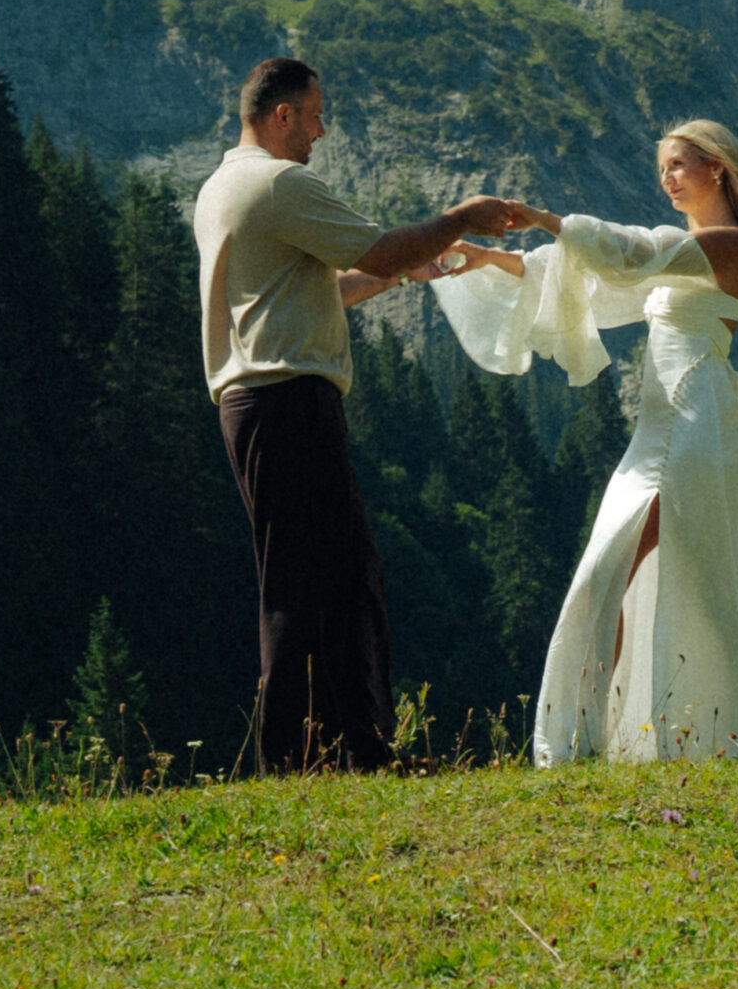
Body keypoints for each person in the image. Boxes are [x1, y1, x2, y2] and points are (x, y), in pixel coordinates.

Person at [430, 119, 738, 764]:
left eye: (678, 166)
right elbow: (598, 284)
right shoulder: (691, 249)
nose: (668, 181)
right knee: (651, 580)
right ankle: (619, 735)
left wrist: (543, 216)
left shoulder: (728, 245)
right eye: (662, 172)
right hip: (664, 432)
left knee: (624, 574)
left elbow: (629, 252)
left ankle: (592, 740)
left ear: (716, 170)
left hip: (688, 430)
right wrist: (492, 259)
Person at [195, 56, 518, 772]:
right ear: (281, 115)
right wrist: (460, 216)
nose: (320, 130)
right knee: (317, 581)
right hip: (287, 399)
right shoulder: (279, 183)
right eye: (313, 115)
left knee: (327, 574)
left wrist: (412, 267)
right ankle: (315, 754)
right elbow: (378, 245)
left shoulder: (225, 186)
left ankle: (343, 749)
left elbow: (324, 288)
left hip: (258, 399)